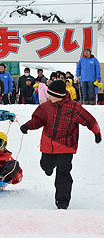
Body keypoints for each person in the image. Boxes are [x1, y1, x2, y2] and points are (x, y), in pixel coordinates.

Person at [20, 80, 102, 209]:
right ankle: (48, 168)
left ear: (58, 95)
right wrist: (27, 126)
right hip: (48, 144)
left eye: (50, 94)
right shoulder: (46, 106)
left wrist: (97, 133)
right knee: (45, 164)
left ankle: (62, 201)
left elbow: (89, 120)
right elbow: (37, 120)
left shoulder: (74, 107)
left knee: (63, 172)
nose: (49, 97)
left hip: (66, 145)